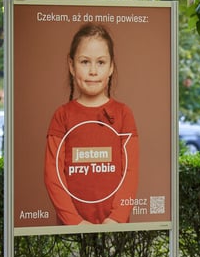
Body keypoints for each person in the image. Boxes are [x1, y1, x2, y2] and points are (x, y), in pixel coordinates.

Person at [44, 23, 139, 225]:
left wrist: (116, 219)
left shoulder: (124, 114)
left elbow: (130, 174)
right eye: (85, 62)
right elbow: (53, 176)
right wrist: (75, 223)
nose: (93, 71)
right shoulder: (62, 116)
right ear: (71, 65)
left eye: (101, 62)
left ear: (111, 67)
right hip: (71, 230)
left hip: (116, 228)